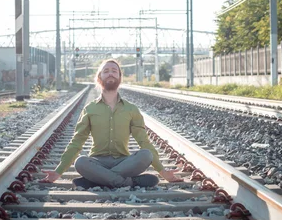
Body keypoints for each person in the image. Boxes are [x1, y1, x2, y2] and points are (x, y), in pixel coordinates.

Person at [40, 59, 183, 189]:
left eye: (114, 71)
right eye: (106, 71)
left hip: (124, 163)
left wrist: (162, 171)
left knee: (146, 154)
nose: (110, 74)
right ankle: (130, 182)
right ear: (99, 77)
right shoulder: (89, 109)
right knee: (81, 162)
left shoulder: (131, 109)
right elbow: (77, 142)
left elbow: (144, 141)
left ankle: (97, 180)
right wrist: (58, 172)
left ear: (120, 78)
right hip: (97, 162)